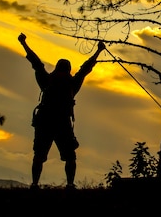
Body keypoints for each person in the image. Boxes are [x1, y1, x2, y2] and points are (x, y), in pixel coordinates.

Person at [18, 32, 106, 189]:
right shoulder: (72, 84)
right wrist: (99, 51)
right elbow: (86, 68)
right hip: (60, 123)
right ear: (68, 71)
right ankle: (69, 184)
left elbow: (36, 63)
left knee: (41, 155)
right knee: (68, 156)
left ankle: (36, 184)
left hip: (45, 121)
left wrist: (24, 43)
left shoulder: (48, 81)